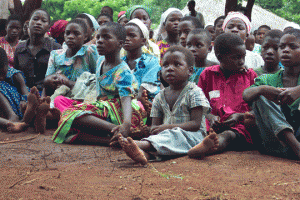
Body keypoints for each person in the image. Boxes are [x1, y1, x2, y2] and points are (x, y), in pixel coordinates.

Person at [52, 22, 147, 144]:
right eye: (98, 37)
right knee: (64, 109)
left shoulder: (122, 72)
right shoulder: (101, 60)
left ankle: (118, 131)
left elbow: (125, 99)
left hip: (121, 113)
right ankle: (110, 139)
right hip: (103, 109)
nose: (100, 41)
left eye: (106, 37)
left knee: (72, 116)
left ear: (120, 44)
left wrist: (126, 124)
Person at [117, 45, 211, 165]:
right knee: (166, 137)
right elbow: (156, 126)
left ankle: (138, 144)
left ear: (190, 71)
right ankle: (143, 154)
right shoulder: (159, 97)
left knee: (173, 134)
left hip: (193, 138)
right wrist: (149, 130)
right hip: (167, 138)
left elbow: (195, 124)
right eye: (165, 65)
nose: (170, 69)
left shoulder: (194, 92)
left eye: (177, 64)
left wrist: (166, 127)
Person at [188, 33, 257, 158]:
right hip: (212, 125)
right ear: (220, 58)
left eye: (243, 57)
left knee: (228, 135)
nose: (241, 61)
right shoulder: (207, 74)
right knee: (200, 130)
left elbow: (257, 110)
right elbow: (199, 104)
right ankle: (202, 143)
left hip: (240, 128)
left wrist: (239, 116)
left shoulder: (250, 76)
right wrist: (210, 117)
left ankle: (209, 147)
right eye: (236, 57)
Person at [243, 29, 300, 159]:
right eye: (282, 47)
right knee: (260, 95)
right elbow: (246, 95)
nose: (285, 50)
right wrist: (264, 89)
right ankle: (295, 146)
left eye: (292, 46)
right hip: (275, 144)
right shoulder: (267, 79)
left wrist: (298, 90)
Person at [45, 19, 98, 96]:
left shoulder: (90, 52)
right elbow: (47, 82)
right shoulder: (55, 55)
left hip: (84, 98)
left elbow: (97, 82)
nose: (70, 37)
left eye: (76, 34)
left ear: (85, 36)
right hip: (59, 97)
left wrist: (68, 82)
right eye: (67, 33)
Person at [14, 8, 62, 92]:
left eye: (43, 21)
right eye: (35, 19)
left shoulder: (56, 48)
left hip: (48, 94)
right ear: (28, 23)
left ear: (48, 27)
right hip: (23, 94)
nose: (38, 23)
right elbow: (16, 75)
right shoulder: (19, 49)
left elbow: (59, 77)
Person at [122, 19, 161, 104]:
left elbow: (142, 94)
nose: (127, 39)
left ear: (143, 41)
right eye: (124, 36)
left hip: (146, 103)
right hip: (126, 102)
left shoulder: (150, 61)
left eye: (132, 36)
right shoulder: (121, 62)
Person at [0, 47, 29, 133]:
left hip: (17, 107)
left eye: (2, 73)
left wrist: (25, 101)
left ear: (7, 65)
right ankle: (8, 123)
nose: (0, 77)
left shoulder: (15, 74)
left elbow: (26, 93)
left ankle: (12, 117)